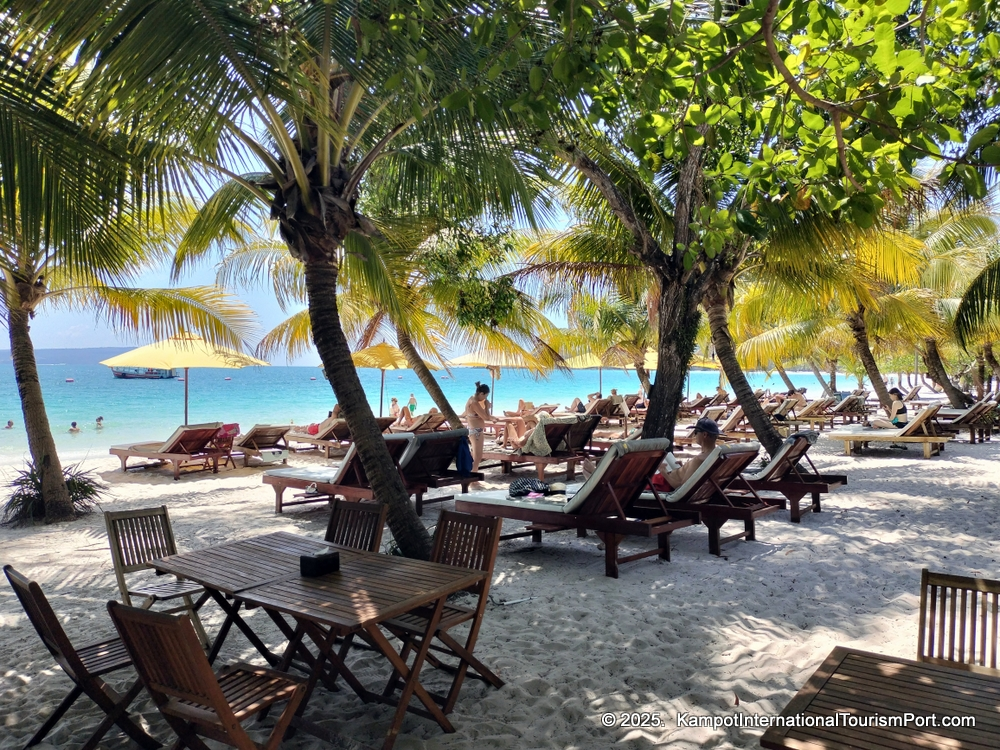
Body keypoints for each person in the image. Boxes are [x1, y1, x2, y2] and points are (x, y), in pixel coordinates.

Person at [465, 382, 492, 471]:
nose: (485, 399)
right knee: (477, 456)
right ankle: (473, 475)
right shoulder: (474, 403)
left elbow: (479, 414)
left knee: (477, 456)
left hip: (474, 429)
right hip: (476, 431)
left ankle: (474, 473)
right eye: (485, 396)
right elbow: (486, 417)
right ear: (481, 394)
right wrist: (487, 406)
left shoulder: (472, 399)